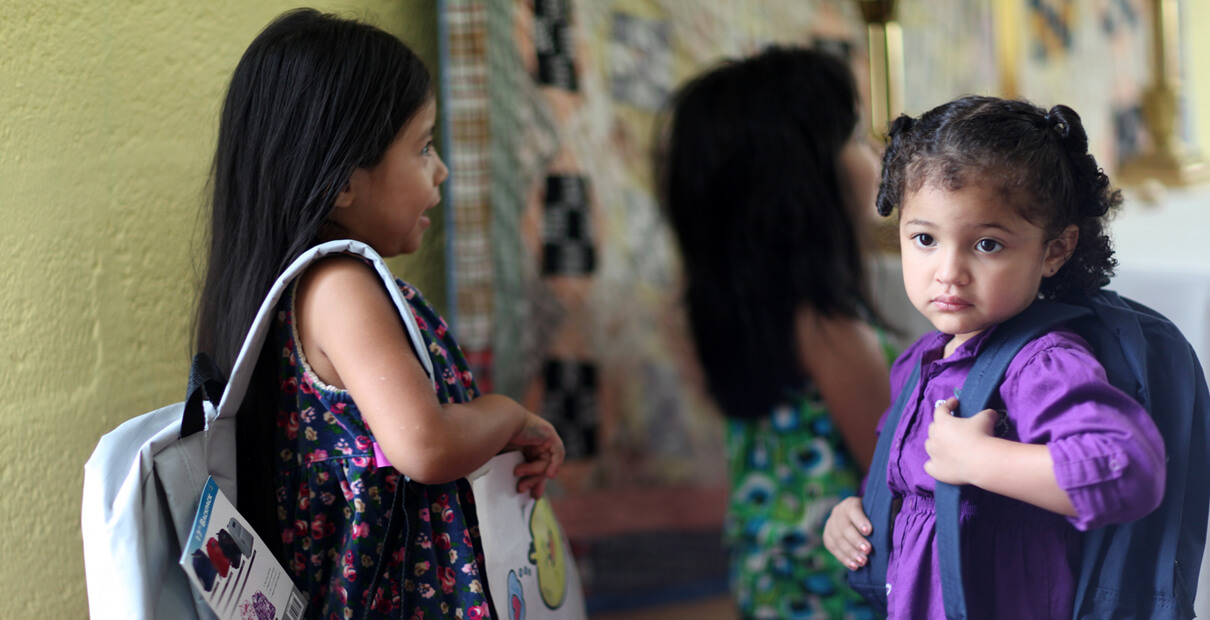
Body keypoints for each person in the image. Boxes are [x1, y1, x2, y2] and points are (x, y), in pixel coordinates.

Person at [192, 9, 565, 618]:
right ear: (343, 181)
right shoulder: (339, 284)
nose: (440, 170)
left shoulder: (316, 288)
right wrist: (508, 413)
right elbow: (424, 444)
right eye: (423, 147)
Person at [822, 96, 1167, 619]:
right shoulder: (919, 363)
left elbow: (1129, 472)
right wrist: (859, 514)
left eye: (987, 245)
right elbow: (920, 498)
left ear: (1054, 250)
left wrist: (984, 461)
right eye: (924, 239)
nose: (949, 271)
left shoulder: (1042, 364)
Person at [654, 46, 893, 619]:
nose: (879, 152)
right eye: (859, 136)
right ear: (805, 183)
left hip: (770, 584)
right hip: (838, 595)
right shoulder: (830, 328)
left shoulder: (728, 311)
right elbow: (897, 471)